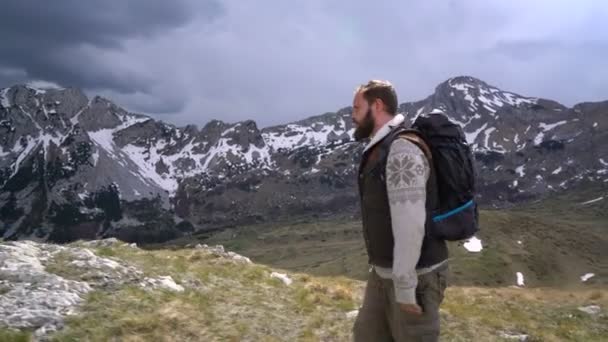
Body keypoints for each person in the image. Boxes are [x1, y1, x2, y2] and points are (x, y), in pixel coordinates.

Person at [352, 80, 449, 341]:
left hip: (415, 279)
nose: (353, 116)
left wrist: (405, 286)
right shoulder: (381, 148)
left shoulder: (402, 150)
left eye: (357, 107)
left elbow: (410, 223)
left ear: (378, 105)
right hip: (383, 276)